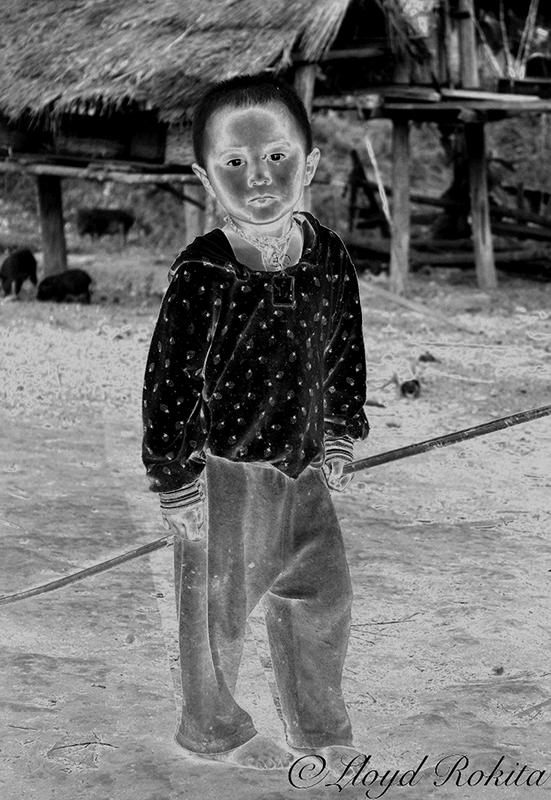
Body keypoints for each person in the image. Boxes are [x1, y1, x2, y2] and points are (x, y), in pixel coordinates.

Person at [142, 74, 369, 770]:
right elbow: (170, 382)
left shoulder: (326, 254)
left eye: (276, 155)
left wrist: (339, 428)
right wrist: (174, 478)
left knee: (321, 599)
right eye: (233, 163)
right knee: (215, 618)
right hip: (224, 477)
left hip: (301, 473)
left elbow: (341, 345)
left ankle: (319, 724)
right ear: (204, 176)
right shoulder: (204, 273)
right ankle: (214, 728)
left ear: (311, 160)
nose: (259, 177)